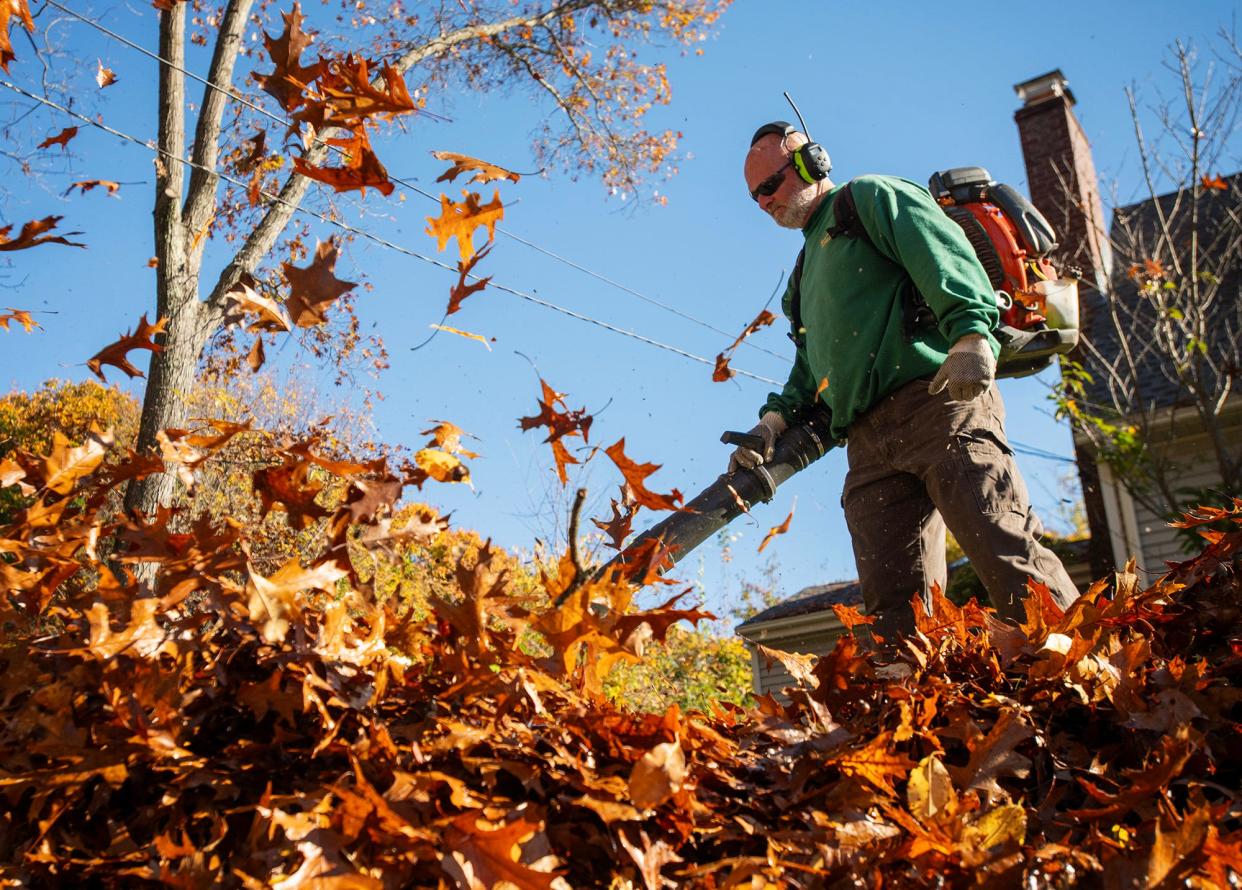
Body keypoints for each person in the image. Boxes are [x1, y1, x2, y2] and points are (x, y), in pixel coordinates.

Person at [731, 121, 1079, 641]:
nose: (762, 203)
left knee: (1004, 549)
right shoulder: (804, 274)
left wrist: (970, 334)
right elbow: (811, 366)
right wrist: (773, 422)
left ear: (809, 165)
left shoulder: (867, 199)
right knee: (895, 611)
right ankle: (914, 711)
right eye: (753, 197)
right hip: (866, 444)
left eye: (768, 187)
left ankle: (1096, 673)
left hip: (939, 403)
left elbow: (939, 250)